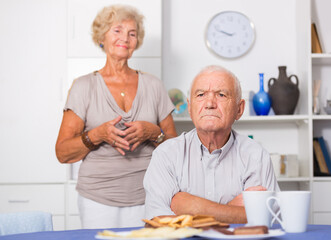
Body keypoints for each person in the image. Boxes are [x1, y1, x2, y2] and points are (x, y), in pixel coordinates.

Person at [55, 4, 176, 228]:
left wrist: (154, 132)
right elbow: (62, 152)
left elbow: (175, 149)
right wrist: (97, 135)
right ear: (102, 37)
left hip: (149, 194)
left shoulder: (154, 85)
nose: (126, 38)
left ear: (136, 42)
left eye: (132, 33)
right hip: (97, 198)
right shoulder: (83, 86)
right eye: (117, 30)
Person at [144, 65, 280, 223]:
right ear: (190, 107)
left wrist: (191, 207)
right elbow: (159, 221)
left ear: (239, 109)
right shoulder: (166, 154)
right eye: (200, 95)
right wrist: (231, 210)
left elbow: (262, 219)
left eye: (221, 95)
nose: (209, 104)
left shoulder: (256, 156)